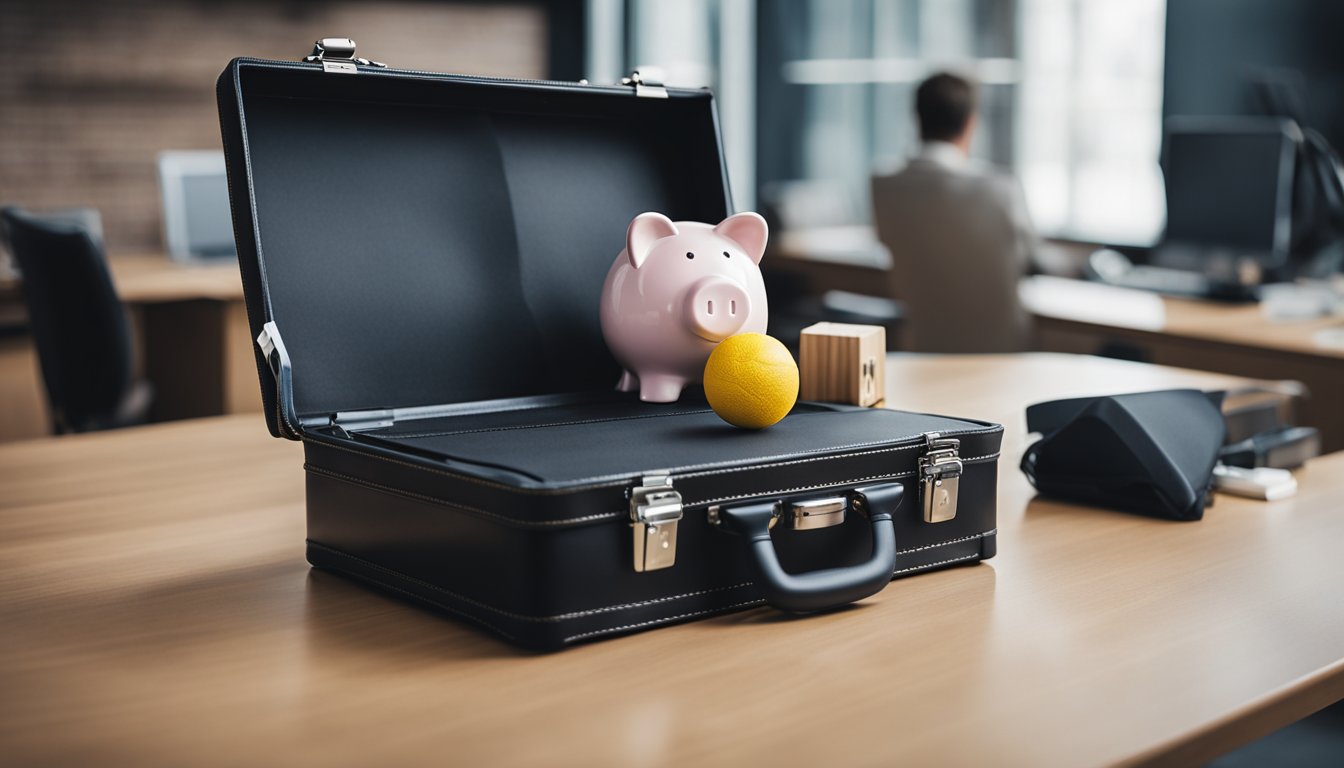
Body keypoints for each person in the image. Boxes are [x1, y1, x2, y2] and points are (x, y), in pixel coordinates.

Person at [871, 72, 1038, 352]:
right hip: (1000, 356)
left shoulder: (883, 185)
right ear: (970, 123)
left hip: (922, 350)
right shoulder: (999, 189)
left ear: (917, 118)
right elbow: (1031, 259)